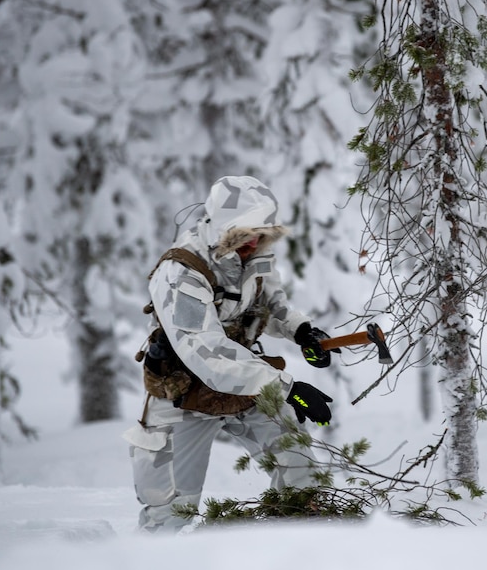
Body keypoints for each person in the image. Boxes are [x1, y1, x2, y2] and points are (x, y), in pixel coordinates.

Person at [124, 175, 336, 532]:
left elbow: (269, 301)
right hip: (183, 394)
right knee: (170, 513)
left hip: (247, 386)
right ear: (225, 229)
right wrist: (287, 387)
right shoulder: (181, 272)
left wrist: (301, 330)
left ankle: (298, 559)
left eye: (261, 233)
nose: (254, 242)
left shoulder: (256, 252)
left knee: (301, 474)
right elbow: (207, 354)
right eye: (245, 234)